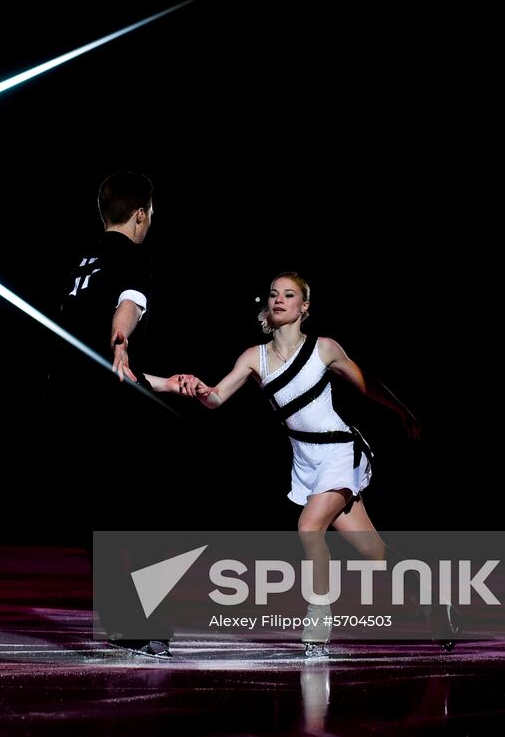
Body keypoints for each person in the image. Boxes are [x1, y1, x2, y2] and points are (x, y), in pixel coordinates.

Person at [175, 271, 452, 655]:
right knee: (372, 551)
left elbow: (366, 382)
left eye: (289, 295)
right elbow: (216, 398)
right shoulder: (254, 358)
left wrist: (402, 410)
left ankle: (319, 618)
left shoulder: (324, 349)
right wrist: (201, 391)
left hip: (339, 451)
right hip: (307, 462)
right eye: (274, 294)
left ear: (304, 306)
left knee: (309, 526)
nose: (279, 300)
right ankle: (434, 599)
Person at [42, 171, 188, 659]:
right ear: (141, 214)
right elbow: (130, 304)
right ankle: (137, 623)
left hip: (65, 398)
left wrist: (161, 381)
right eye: (152, 213)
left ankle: (128, 622)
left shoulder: (82, 261)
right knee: (136, 509)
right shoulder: (133, 256)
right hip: (101, 406)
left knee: (100, 514)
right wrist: (121, 336)